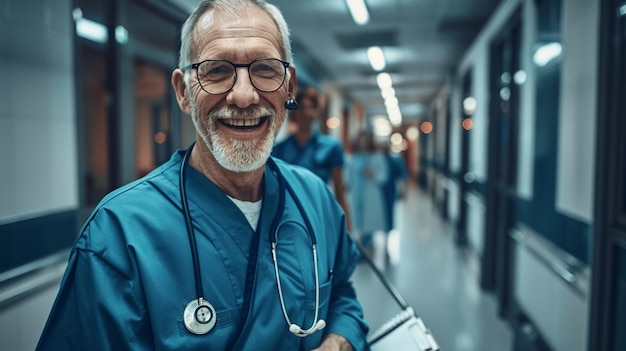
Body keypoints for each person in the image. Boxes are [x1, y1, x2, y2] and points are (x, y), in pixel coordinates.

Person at [35, 1, 369, 350]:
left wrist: (339, 339)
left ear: (289, 86)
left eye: (266, 69)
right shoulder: (118, 235)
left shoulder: (313, 197)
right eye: (217, 71)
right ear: (183, 92)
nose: (243, 96)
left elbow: (342, 292)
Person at [272, 87, 352, 231]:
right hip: (289, 214)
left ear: (317, 113)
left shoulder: (331, 147)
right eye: (301, 108)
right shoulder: (280, 149)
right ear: (294, 112)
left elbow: (340, 191)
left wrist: (347, 230)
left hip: (320, 210)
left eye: (311, 108)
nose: (305, 113)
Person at [345, 132, 388, 251]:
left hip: (370, 193)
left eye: (365, 141)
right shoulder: (353, 157)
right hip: (355, 193)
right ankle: (359, 245)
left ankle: (367, 243)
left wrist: (373, 174)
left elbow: (384, 176)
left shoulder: (376, 156)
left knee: (369, 221)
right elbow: (347, 175)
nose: (362, 144)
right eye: (360, 141)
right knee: (356, 219)